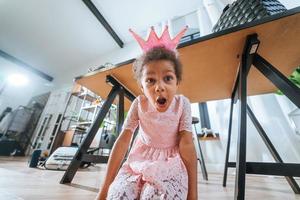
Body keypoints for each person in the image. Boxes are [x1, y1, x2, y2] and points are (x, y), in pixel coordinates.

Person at [96, 26, 197, 200]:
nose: (159, 87)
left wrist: (193, 194)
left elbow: (187, 144)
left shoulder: (183, 104)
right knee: (117, 195)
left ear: (177, 83)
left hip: (169, 162)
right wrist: (104, 190)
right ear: (142, 87)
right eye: (150, 80)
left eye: (168, 78)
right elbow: (123, 140)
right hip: (139, 161)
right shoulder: (139, 104)